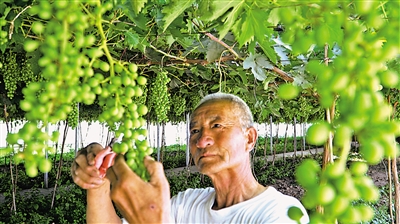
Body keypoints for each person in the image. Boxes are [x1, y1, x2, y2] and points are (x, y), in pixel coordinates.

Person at [71, 92, 310, 223]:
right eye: (195, 130)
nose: (202, 140)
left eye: (217, 125)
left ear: (249, 138)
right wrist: (98, 181)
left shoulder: (280, 213)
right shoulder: (188, 203)